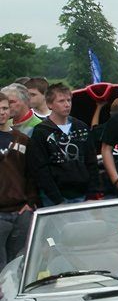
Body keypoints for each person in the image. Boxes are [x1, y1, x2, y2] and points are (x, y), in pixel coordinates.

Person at [27, 83, 99, 206]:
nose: (67, 104)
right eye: (61, 101)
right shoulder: (41, 132)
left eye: (69, 100)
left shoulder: (81, 127)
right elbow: (40, 169)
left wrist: (93, 193)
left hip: (83, 194)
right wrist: (57, 200)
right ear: (50, 104)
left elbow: (91, 161)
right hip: (54, 197)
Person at [0, 97, 37, 267]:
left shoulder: (22, 139)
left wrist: (31, 202)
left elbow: (31, 174)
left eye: (5, 108)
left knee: (19, 263)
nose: (2, 112)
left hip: (21, 210)